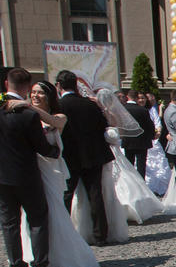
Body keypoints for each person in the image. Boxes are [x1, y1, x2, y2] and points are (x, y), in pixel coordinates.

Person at [0, 69, 66, 267]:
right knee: (37, 219)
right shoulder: (28, 115)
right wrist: (55, 152)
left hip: (2, 176)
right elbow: (41, 147)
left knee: (9, 223)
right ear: (28, 88)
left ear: (6, 84)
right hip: (26, 174)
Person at [56, 69, 114, 245]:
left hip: (69, 156)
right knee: (95, 194)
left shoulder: (58, 106)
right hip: (92, 155)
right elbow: (104, 126)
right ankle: (100, 235)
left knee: (66, 195)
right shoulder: (90, 104)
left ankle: (63, 234)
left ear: (58, 86)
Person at [95, 89, 163, 225]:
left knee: (127, 169)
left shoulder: (118, 111)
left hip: (123, 145)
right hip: (133, 144)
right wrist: (151, 136)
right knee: (136, 169)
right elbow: (147, 126)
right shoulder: (136, 110)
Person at [122, 89, 155, 178]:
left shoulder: (123, 109)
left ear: (127, 97)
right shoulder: (143, 110)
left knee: (129, 165)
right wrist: (152, 136)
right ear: (137, 98)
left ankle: (130, 182)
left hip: (127, 140)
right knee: (141, 166)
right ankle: (141, 183)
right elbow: (149, 125)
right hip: (142, 142)